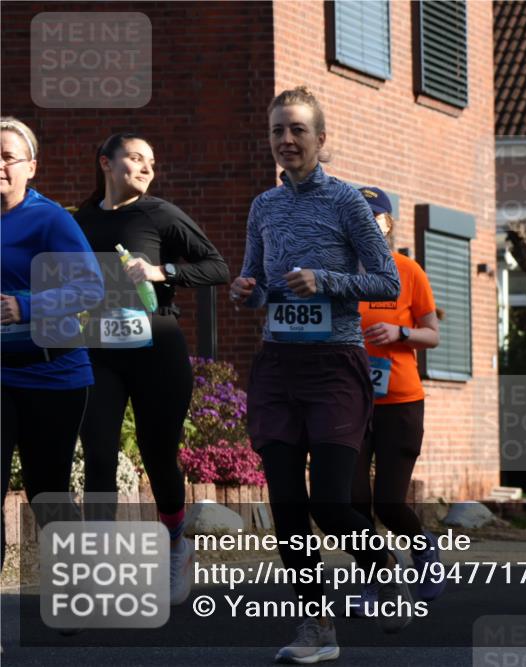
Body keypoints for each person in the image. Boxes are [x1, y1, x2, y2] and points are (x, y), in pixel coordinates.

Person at [230, 86, 407, 664]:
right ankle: (317, 629)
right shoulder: (264, 205)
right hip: (278, 363)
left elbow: (387, 283)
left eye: (298, 130)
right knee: (285, 504)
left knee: (330, 504)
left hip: (334, 363)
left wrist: (325, 281)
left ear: (320, 139)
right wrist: (246, 291)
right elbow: (256, 280)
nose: (286, 140)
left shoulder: (348, 203)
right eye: (278, 130)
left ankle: (382, 563)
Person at [74, 132, 230, 605]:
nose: (146, 168)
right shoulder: (80, 220)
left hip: (157, 347)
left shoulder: (160, 214)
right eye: (136, 158)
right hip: (100, 349)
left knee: (158, 454)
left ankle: (177, 543)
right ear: (106, 162)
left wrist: (166, 273)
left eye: (151, 162)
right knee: (98, 453)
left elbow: (217, 267)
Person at [1, 116, 103, 568]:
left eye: (7, 156)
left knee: (47, 491)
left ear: (31, 167)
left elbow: (91, 287)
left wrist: (26, 306)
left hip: (53, 373)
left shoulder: (50, 218)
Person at [348, 186, 444, 617]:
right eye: (359, 218)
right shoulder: (339, 272)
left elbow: (433, 334)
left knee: (389, 501)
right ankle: (377, 578)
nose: (369, 225)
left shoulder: (408, 271)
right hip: (348, 400)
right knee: (352, 500)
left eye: (376, 218)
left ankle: (423, 551)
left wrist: (401, 334)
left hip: (400, 401)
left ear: (389, 223)